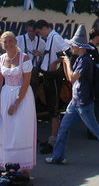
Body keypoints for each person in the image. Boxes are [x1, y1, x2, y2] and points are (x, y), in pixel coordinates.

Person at [45, 25, 99, 167]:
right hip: (76, 100)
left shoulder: (85, 60)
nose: (72, 48)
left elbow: (72, 78)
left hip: (83, 101)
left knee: (95, 129)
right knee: (64, 128)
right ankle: (58, 155)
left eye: (73, 45)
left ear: (79, 47)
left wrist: (66, 63)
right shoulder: (82, 59)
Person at [0, 31, 37, 172]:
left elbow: (26, 82)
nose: (8, 44)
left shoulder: (24, 58)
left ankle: (23, 166)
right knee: (8, 130)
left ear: (15, 42)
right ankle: (9, 163)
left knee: (21, 128)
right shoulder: (1, 59)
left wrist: (17, 103)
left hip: (22, 96)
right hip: (6, 94)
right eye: (5, 42)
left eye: (10, 41)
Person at [34, 19, 70, 154]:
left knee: (54, 109)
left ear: (44, 28)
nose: (40, 35)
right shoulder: (50, 38)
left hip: (53, 76)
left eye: (39, 32)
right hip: (48, 75)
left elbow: (66, 51)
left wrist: (55, 62)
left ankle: (54, 140)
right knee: (51, 108)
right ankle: (52, 138)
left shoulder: (55, 37)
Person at [16, 20, 46, 104]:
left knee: (33, 94)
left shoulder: (41, 42)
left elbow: (46, 57)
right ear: (26, 29)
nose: (31, 33)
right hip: (21, 71)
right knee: (21, 92)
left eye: (33, 31)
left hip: (34, 71)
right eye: (29, 31)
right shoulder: (18, 39)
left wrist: (40, 54)